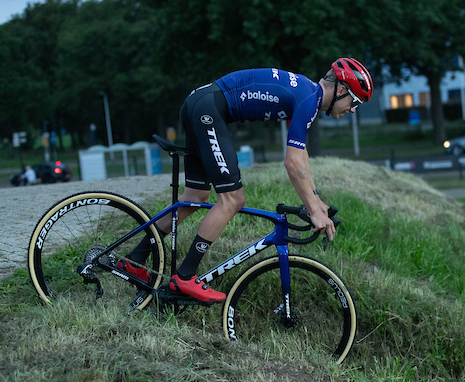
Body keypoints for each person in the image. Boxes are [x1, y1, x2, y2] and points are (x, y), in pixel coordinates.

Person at [118, 57, 373, 303]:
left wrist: (317, 204)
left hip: (201, 102)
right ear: (341, 88)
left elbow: (301, 157)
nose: (352, 109)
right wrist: (315, 213)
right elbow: (293, 163)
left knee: (195, 198)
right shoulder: (309, 99)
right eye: (355, 101)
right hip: (208, 108)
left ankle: (135, 260)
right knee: (233, 199)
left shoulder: (308, 93)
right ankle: (185, 277)